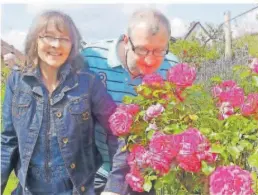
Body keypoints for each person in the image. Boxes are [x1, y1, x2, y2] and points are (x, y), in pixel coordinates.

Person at [1, 10, 128, 195]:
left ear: (73, 45)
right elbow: (8, 141)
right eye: (48, 37)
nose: (56, 44)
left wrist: (115, 187)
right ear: (35, 40)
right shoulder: (17, 81)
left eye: (64, 39)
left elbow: (118, 133)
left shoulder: (88, 83)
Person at [81, 8, 179, 195]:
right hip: (94, 169)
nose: (150, 60)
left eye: (159, 51)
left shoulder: (172, 68)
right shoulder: (91, 59)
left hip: (142, 175)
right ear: (126, 41)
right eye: (142, 50)